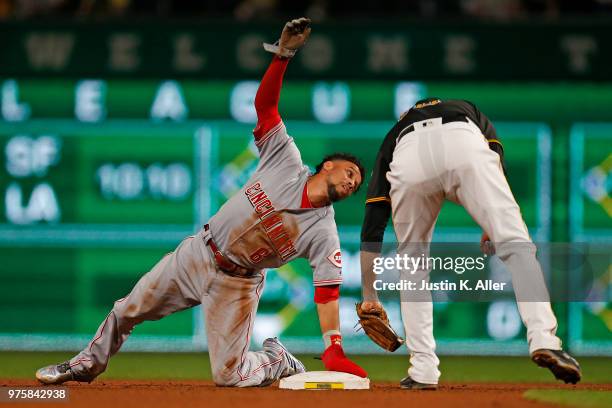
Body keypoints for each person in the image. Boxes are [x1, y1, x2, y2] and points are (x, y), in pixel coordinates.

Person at [36, 17, 367, 387]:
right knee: (126, 310)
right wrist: (283, 56)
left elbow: (327, 291)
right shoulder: (285, 160)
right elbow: (266, 108)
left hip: (237, 284)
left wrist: (333, 345)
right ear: (328, 165)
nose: (353, 181)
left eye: (356, 183)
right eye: (350, 171)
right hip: (198, 254)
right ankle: (84, 365)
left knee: (230, 377)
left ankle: (274, 359)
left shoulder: (323, 232)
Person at [358, 97, 581, 389]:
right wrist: (494, 223)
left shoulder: (396, 132)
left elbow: (374, 219)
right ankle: (544, 339)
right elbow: (494, 150)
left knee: (412, 266)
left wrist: (368, 292)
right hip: (462, 140)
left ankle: (423, 369)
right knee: (516, 245)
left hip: (408, 155)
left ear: (408, 113)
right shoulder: (464, 106)